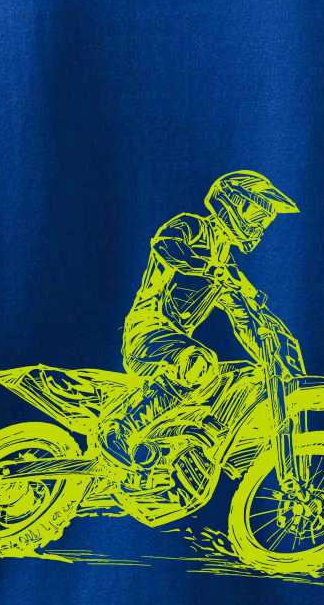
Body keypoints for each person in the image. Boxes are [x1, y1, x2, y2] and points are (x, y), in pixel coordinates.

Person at [100, 170, 303, 476]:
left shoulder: (226, 265)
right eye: (257, 214)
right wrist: (206, 267)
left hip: (176, 347)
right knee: (199, 361)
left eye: (266, 220)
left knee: (246, 376)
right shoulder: (191, 227)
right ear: (232, 203)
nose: (261, 225)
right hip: (147, 332)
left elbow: (243, 319)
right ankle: (120, 430)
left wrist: (271, 354)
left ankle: (196, 447)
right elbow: (166, 246)